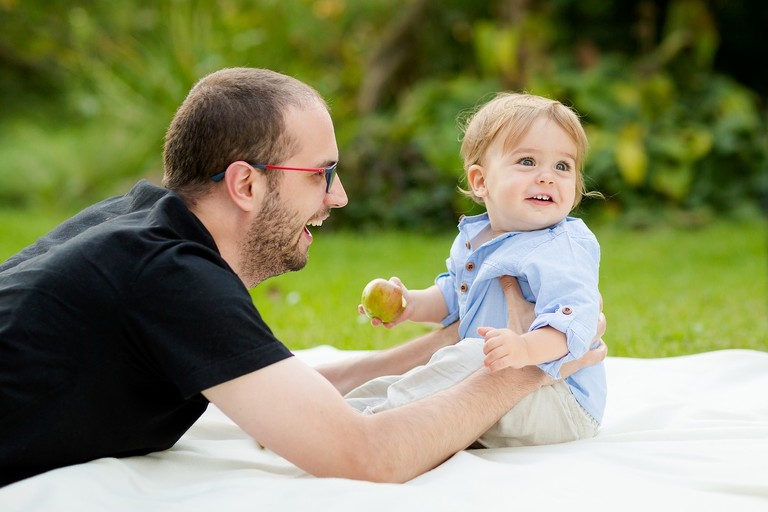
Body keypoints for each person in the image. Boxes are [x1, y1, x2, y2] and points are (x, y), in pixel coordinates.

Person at [0, 69, 606, 487]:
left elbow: (296, 394)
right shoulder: (170, 277)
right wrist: (527, 374)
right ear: (246, 184)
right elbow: (365, 457)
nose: (338, 197)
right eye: (322, 173)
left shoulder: (142, 230)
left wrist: (447, 341)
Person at [348, 92, 606, 447]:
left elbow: (576, 322)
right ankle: (343, 412)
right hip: (495, 380)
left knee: (466, 356)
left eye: (563, 166)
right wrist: (411, 304)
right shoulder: (477, 237)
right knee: (431, 371)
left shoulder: (561, 247)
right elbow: (454, 294)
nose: (548, 177)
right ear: (481, 181)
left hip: (561, 400)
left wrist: (524, 349)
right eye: (528, 161)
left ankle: (372, 426)